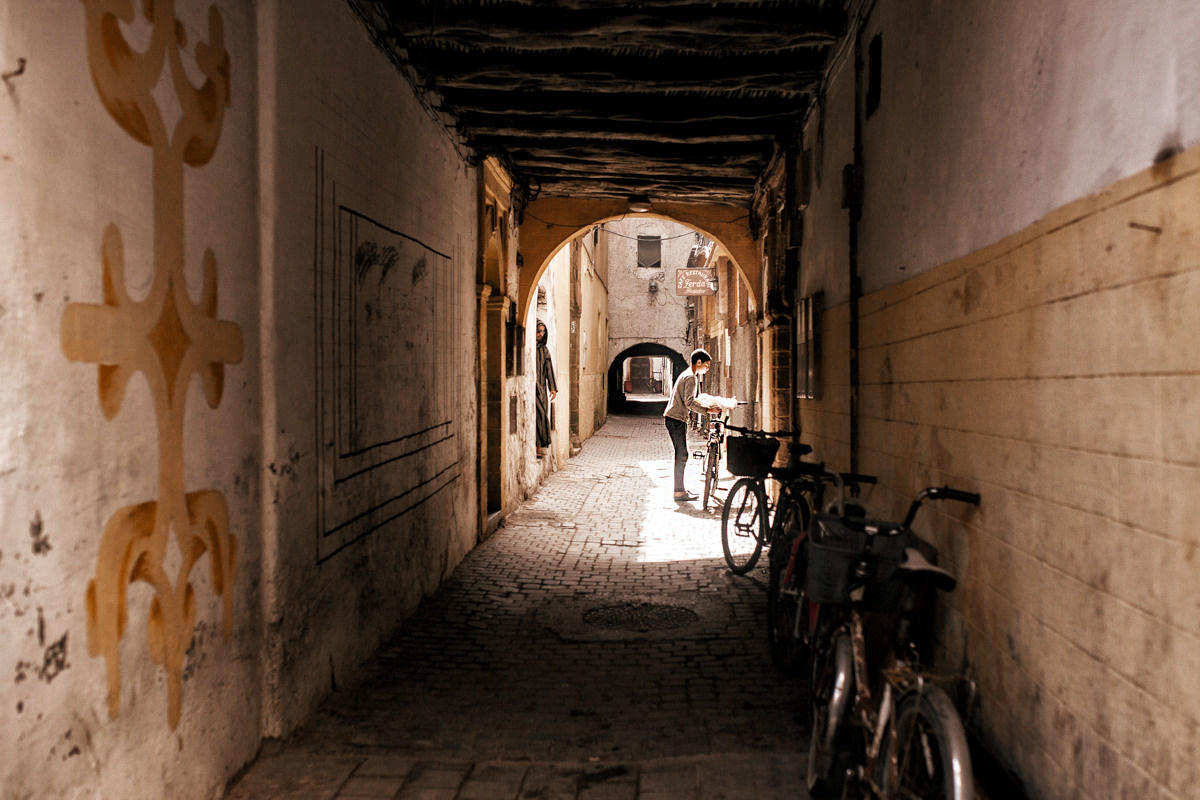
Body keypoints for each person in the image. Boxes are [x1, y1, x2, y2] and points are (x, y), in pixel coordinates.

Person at [663, 348, 718, 501]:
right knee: (681, 455)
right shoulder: (691, 377)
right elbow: (689, 402)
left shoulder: (687, 374)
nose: (706, 370)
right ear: (698, 362)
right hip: (676, 419)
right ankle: (679, 491)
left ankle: (679, 489)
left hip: (674, 419)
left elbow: (689, 399)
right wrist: (707, 410)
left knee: (681, 454)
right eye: (706, 366)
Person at [535, 320, 558, 455]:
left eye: (543, 331)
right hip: (533, 388)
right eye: (539, 331)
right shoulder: (529, 347)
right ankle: (537, 446)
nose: (541, 334)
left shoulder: (544, 350)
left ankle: (541, 444)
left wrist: (553, 388)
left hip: (541, 388)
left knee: (543, 414)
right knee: (538, 413)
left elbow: (549, 369)